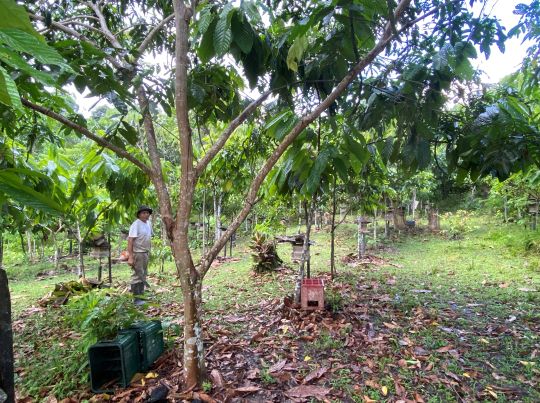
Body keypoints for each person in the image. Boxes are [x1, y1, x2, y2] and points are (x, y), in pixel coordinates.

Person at [128, 205, 153, 304]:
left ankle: (141, 296)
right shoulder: (136, 224)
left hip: (145, 252)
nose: (146, 215)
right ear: (139, 214)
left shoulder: (148, 224)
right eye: (143, 213)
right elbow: (130, 240)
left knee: (143, 274)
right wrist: (130, 257)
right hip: (138, 253)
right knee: (137, 275)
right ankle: (136, 299)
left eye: (147, 213)